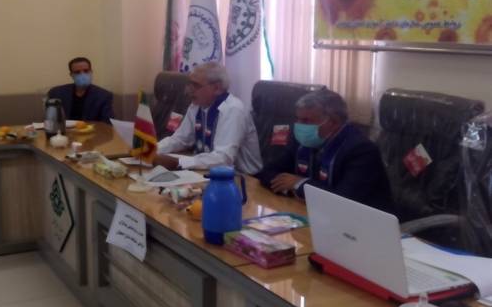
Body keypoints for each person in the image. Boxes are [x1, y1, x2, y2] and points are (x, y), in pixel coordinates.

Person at [256, 89, 394, 213]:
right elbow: (266, 172)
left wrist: (298, 184)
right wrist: (290, 188)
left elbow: (343, 201)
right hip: (311, 212)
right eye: (298, 119)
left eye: (306, 121)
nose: (299, 126)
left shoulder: (361, 150)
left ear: (333, 122)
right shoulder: (302, 142)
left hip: (360, 223)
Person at [153, 62, 262, 175]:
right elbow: (180, 139)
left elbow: (223, 158)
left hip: (244, 177)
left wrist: (178, 162)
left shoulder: (233, 110)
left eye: (196, 85)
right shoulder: (196, 106)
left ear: (217, 88)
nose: (189, 90)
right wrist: (151, 150)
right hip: (207, 170)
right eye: (189, 84)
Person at [48, 57, 114, 123]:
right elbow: (50, 120)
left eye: (86, 71)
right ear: (71, 75)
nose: (82, 74)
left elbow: (107, 123)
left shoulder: (103, 96)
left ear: (91, 72)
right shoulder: (56, 93)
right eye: (77, 72)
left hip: (91, 129)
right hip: (65, 129)